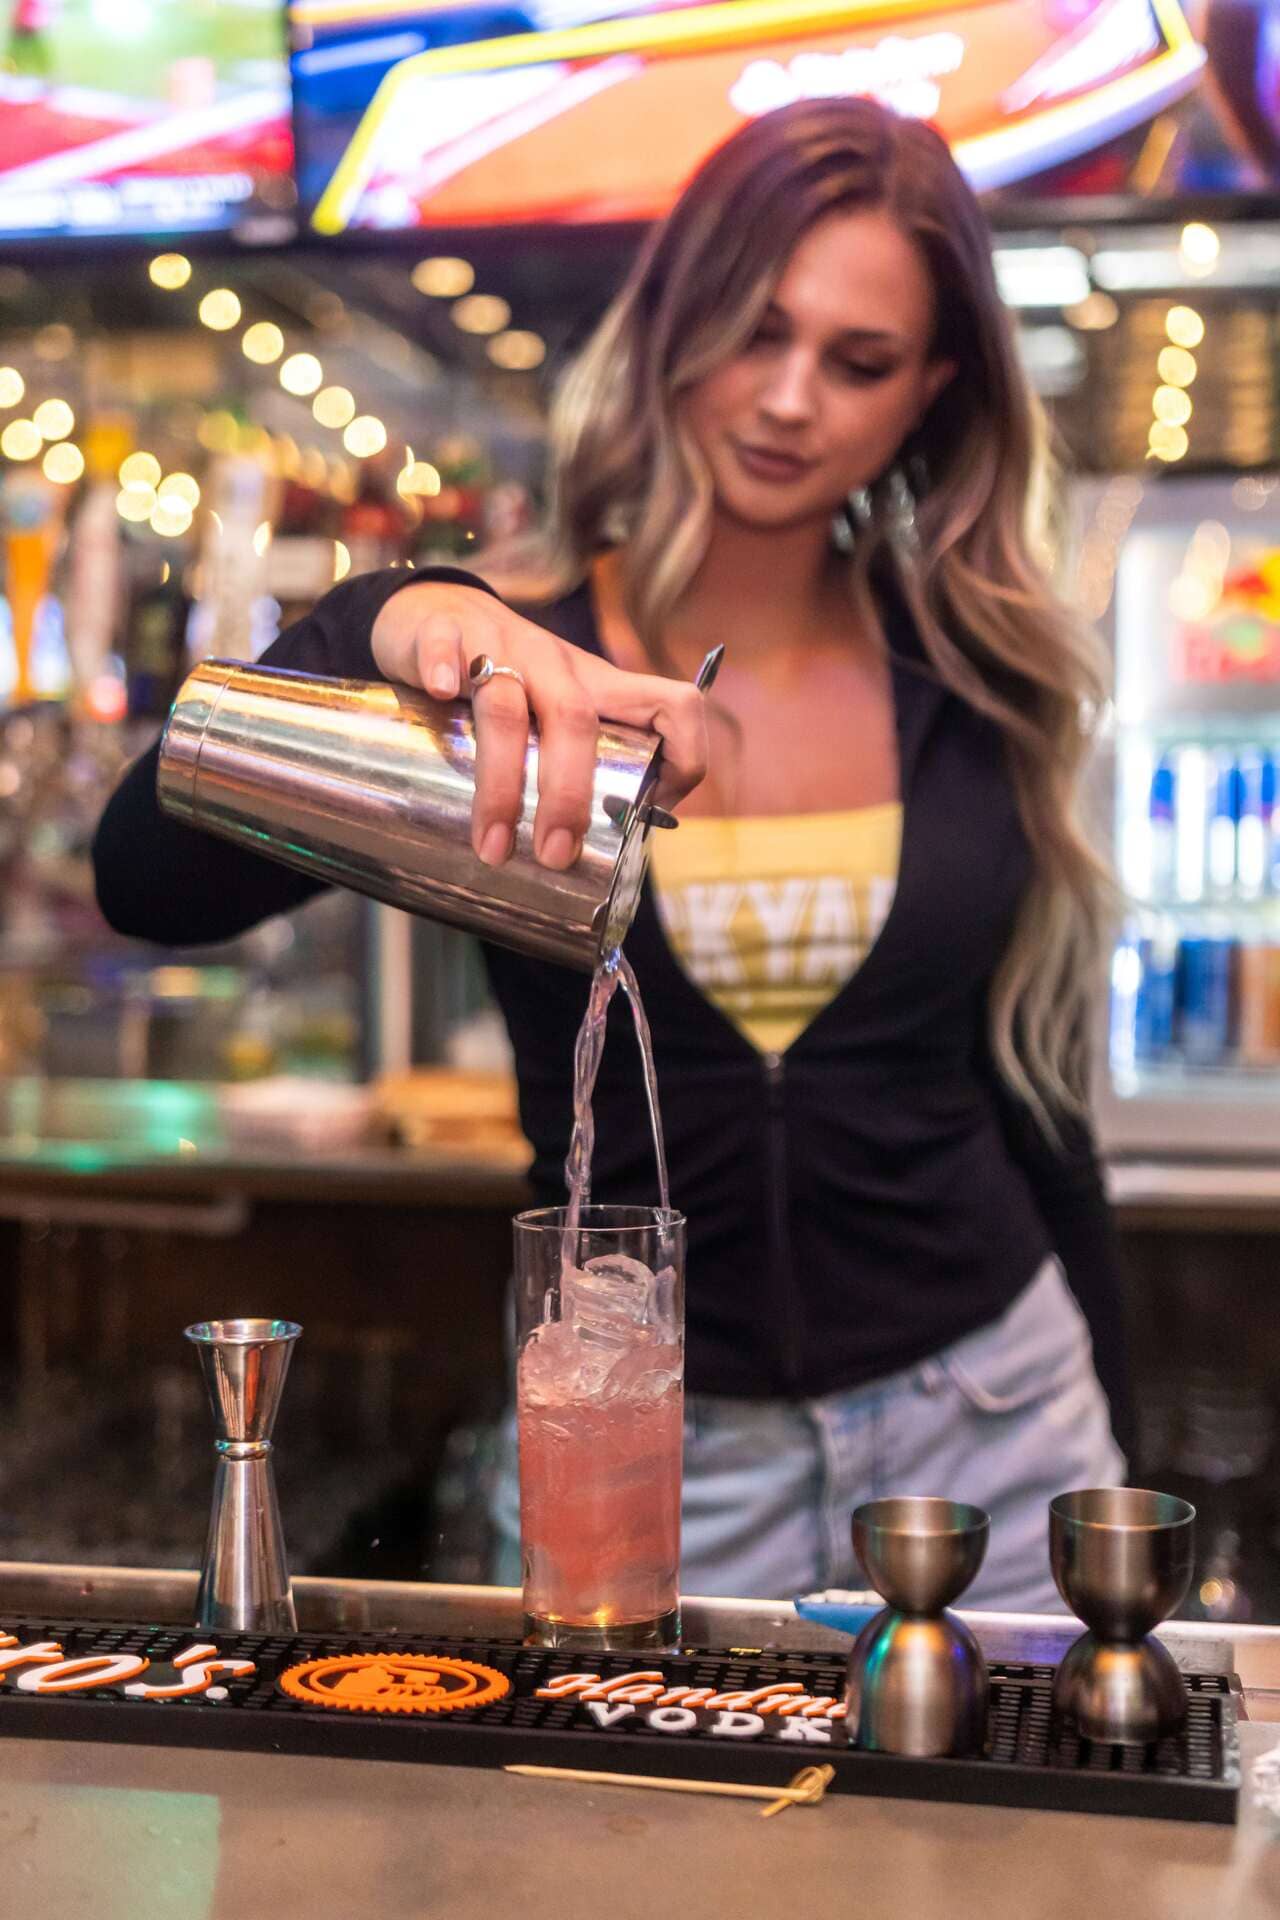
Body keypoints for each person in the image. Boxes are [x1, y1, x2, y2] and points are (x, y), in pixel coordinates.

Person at [94, 97, 1128, 1614]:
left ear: (934, 391)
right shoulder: (516, 672)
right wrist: (375, 620)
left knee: (1039, 1855)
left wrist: (1120, 1435)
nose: (789, 402)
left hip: (996, 1426)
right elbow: (147, 879)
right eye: (752, 331)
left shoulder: (978, 682)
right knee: (623, 1857)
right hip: (639, 1443)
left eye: (859, 362)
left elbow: (1036, 1105)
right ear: (668, 327)